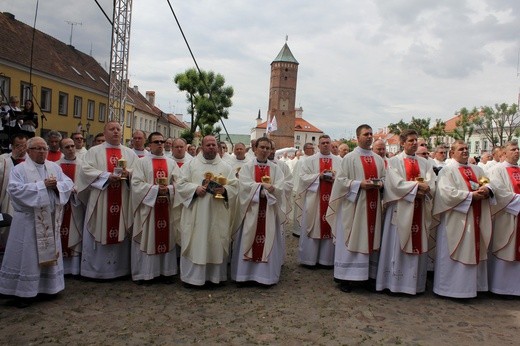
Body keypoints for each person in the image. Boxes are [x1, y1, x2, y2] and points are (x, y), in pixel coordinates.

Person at [0, 136, 73, 306]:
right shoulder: (20, 169)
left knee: (47, 255)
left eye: (44, 149)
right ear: (29, 151)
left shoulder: (54, 167)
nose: (42, 152)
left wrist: (57, 186)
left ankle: (48, 288)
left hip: (49, 220)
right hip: (28, 222)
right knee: (27, 256)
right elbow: (15, 190)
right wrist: (42, 186)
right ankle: (23, 292)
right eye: (38, 149)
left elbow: (68, 184)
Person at [376, 130, 436, 295]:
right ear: (402, 143)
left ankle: (414, 284)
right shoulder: (394, 161)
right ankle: (394, 283)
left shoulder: (425, 163)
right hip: (400, 209)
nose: (414, 143)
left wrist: (426, 188)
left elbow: (432, 182)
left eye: (416, 140)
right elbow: (394, 184)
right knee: (396, 245)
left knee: (416, 243)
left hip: (420, 209)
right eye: (411, 140)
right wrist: (418, 187)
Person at [327, 124, 385, 293]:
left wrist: (380, 184)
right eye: (366, 134)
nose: (369, 137)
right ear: (357, 137)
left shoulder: (378, 159)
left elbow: (384, 179)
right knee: (352, 237)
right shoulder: (349, 158)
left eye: (371, 134)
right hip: (354, 207)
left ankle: (366, 277)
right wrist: (359, 185)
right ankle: (345, 277)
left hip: (373, 207)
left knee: (370, 239)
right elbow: (340, 181)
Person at [432, 140, 495, 298]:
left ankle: (472, 288)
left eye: (467, 148)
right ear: (452, 153)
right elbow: (445, 193)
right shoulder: (447, 170)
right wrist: (470, 196)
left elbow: (488, 184)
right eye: (461, 149)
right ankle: (449, 289)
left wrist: (487, 190)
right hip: (455, 220)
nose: (465, 151)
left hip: (476, 217)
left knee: (473, 249)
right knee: (455, 251)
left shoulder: (477, 169)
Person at [77, 121, 138, 279]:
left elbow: (139, 173)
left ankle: (121, 269)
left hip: (123, 197)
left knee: (121, 228)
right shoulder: (94, 151)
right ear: (105, 132)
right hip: (101, 199)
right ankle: (96, 271)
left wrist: (128, 173)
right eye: (112, 129)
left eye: (118, 129)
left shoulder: (129, 153)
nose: (116, 132)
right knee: (99, 227)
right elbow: (85, 171)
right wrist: (106, 176)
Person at [175, 135, 238, 286]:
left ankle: (215, 278)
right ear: (202, 147)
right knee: (197, 241)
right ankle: (193, 279)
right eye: (208, 145)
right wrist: (195, 189)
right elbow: (180, 184)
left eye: (213, 145)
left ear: (217, 147)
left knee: (215, 241)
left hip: (217, 213)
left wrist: (224, 190)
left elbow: (235, 186)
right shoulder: (190, 165)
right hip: (196, 214)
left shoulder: (226, 167)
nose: (211, 147)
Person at [231, 137, 286, 285]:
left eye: (268, 148)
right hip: (251, 211)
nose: (265, 150)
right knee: (248, 238)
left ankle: (265, 277)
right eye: (262, 147)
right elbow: (243, 186)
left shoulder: (276, 169)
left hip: (268, 211)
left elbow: (281, 187)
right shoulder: (247, 167)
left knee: (267, 239)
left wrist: (273, 189)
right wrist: (261, 187)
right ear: (255, 149)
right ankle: (245, 276)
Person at [131, 132, 180, 283]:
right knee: (149, 238)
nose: (160, 144)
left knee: (167, 237)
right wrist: (156, 189)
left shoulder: (171, 163)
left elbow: (180, 183)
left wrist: (170, 189)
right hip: (149, 211)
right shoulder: (141, 162)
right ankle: (146, 274)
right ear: (149, 145)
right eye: (156, 142)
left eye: (162, 141)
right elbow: (136, 184)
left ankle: (166, 272)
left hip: (166, 207)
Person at [296, 135, 341, 267]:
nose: (326, 145)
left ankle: (326, 260)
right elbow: (303, 178)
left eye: (328, 143)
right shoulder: (309, 161)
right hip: (314, 201)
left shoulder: (339, 161)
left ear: (331, 144)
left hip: (332, 200)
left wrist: (335, 178)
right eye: (323, 143)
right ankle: (309, 259)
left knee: (330, 223)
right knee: (313, 226)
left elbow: (344, 178)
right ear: (318, 145)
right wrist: (319, 176)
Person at [488, 141, 520, 296]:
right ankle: (500, 288)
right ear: (504, 153)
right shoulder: (497, 170)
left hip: (517, 216)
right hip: (506, 216)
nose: (517, 151)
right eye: (513, 149)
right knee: (505, 248)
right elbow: (499, 192)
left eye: (518, 149)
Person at [57, 137, 84, 275]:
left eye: (72, 146)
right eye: (67, 147)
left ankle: (74, 269)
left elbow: (86, 184)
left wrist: (77, 190)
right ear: (61, 149)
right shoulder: (55, 165)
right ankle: (59, 267)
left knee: (75, 232)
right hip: (60, 206)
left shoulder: (83, 165)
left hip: (76, 205)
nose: (71, 149)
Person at [0, 134, 28, 259]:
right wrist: (13, 159)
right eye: (18, 146)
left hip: (26, 199)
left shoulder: (31, 159)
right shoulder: (4, 159)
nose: (21, 149)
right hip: (9, 199)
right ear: (12, 146)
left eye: (24, 146)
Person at [291, 143, 314, 237]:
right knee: (300, 209)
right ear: (306, 149)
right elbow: (298, 176)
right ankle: (297, 230)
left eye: (313, 148)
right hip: (301, 189)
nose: (313, 149)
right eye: (311, 148)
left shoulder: (311, 159)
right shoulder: (302, 161)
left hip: (310, 189)